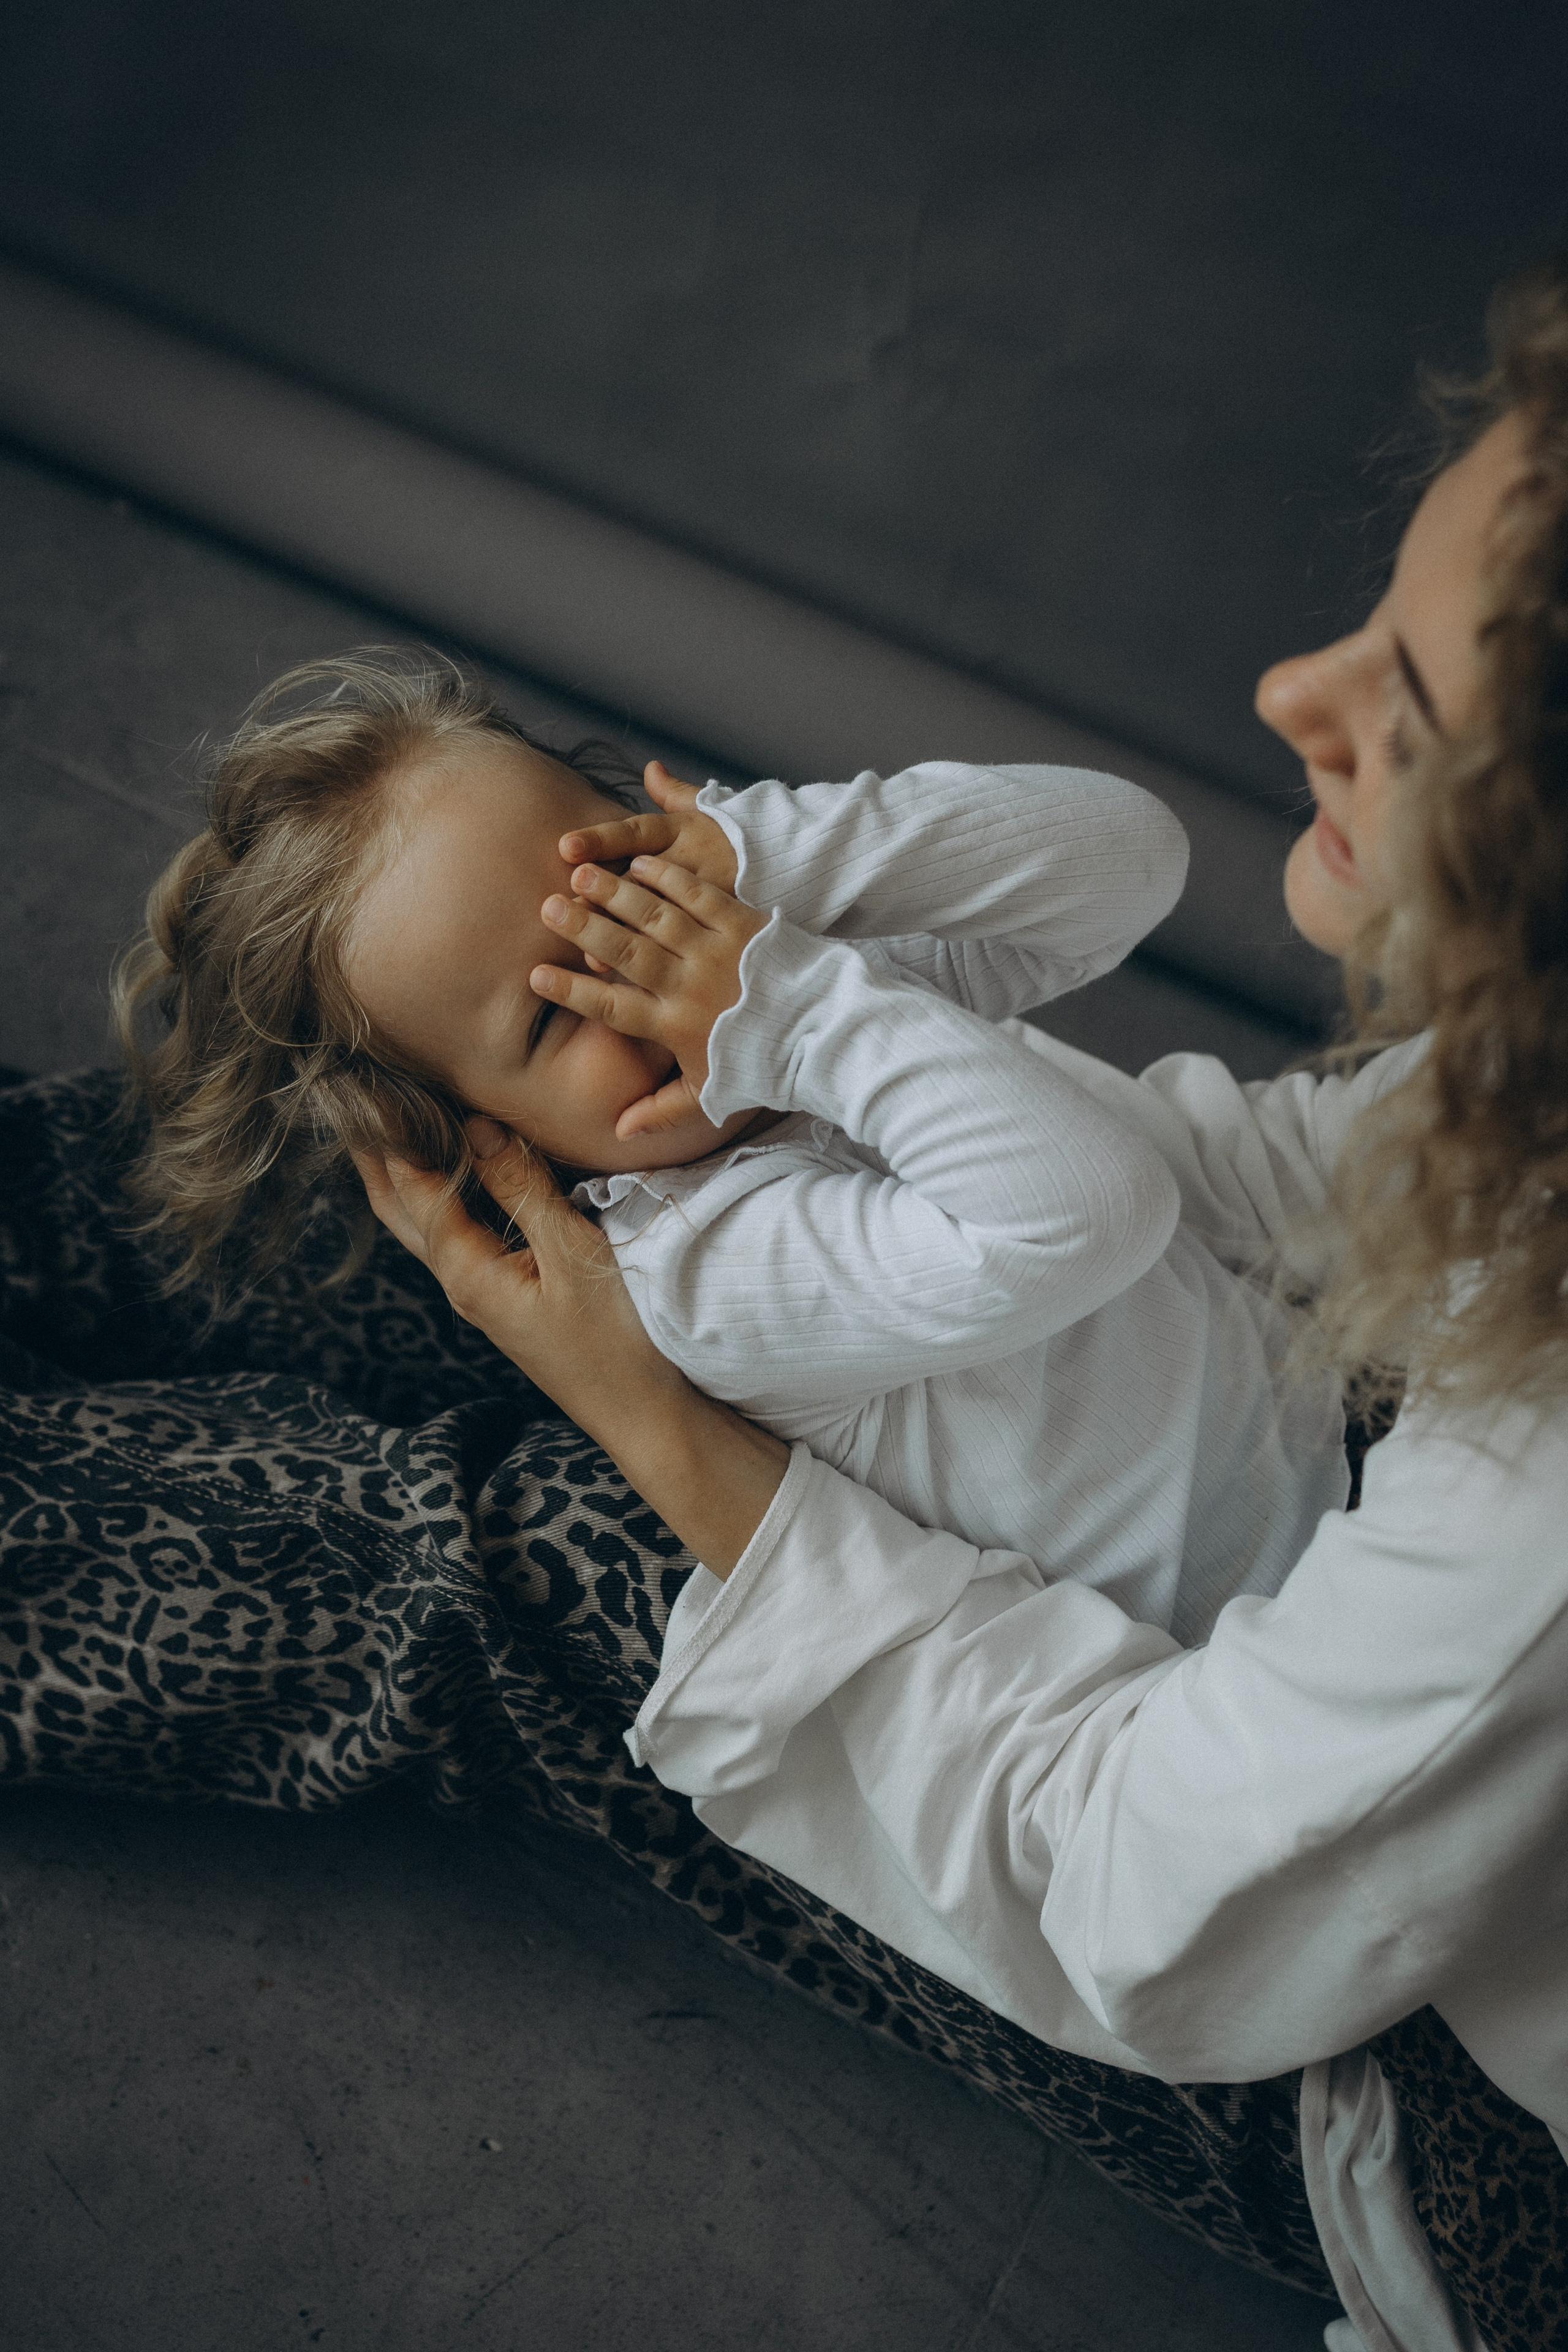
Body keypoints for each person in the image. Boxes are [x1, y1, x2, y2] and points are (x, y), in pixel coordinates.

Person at [2, 264, 1565, 2350]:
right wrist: (728, 948)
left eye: (1414, 706)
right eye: (551, 1003)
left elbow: (1096, 1040)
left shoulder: (1525, 1525)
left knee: (550, 1550)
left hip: (1382, 2044)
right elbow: (1175, 1021)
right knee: (376, 1194)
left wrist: (756, 927)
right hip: (1231, 1480)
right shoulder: (719, 1210)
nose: (1294, 688)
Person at [116, 650, 1357, 1648]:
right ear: (473, 1136)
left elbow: (1128, 859)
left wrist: (775, 855)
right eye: (556, 1013)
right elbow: (1094, 1209)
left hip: (1338, 1441)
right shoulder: (709, 1262)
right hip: (1276, 1626)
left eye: (629, 895)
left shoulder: (789, 978)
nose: (645, 980)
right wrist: (798, 1013)